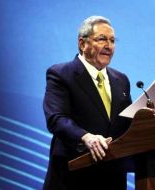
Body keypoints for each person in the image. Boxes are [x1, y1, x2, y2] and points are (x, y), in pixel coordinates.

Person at [43, 15, 133, 190]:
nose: (109, 46)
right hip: (73, 176)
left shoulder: (121, 79)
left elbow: (127, 124)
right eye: (102, 39)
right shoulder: (61, 74)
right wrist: (86, 137)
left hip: (112, 178)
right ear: (82, 44)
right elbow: (56, 118)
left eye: (113, 41)